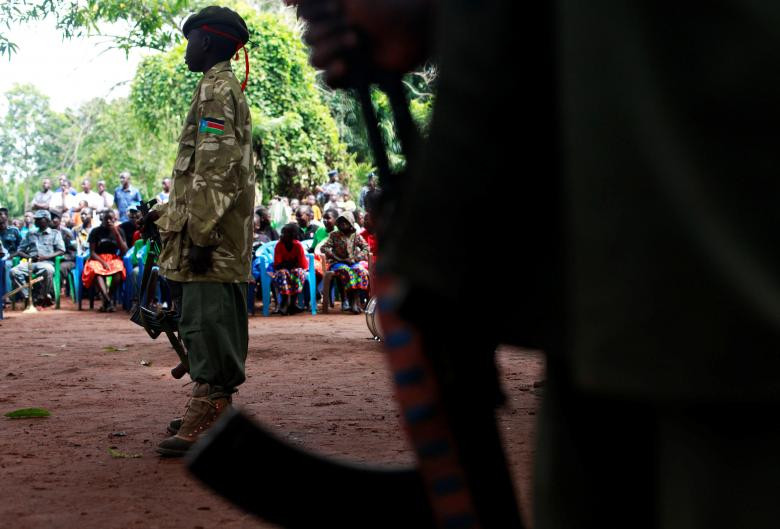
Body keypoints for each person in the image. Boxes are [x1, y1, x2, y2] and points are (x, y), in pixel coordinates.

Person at [148, 5, 254, 457]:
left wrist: (202, 234)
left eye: (191, 39)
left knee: (207, 318)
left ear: (208, 42)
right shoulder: (218, 86)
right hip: (213, 228)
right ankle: (212, 404)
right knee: (205, 317)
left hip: (211, 234)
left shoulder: (215, 89)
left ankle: (211, 405)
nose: (187, 48)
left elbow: (216, 166)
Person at [11, 210, 65, 306]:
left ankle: (43, 296)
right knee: (14, 271)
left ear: (47, 221)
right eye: (36, 219)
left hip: (47, 263)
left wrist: (45, 257)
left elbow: (61, 250)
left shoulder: (55, 233)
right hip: (31, 262)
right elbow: (20, 250)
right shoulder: (30, 233)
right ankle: (28, 297)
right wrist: (29, 257)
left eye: (39, 219)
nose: (36, 221)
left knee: (48, 270)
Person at [320, 211, 369, 314]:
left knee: (359, 270)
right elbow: (323, 248)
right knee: (346, 271)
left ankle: (355, 301)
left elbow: (366, 248)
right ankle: (350, 302)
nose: (342, 224)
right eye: (340, 222)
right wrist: (337, 257)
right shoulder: (334, 235)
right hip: (337, 263)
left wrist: (356, 258)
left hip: (352, 262)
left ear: (351, 222)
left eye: (345, 222)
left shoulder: (356, 235)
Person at [82, 210, 128, 312]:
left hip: (113, 258)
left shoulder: (119, 231)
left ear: (115, 219)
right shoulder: (95, 231)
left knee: (118, 271)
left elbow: (124, 250)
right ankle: (108, 301)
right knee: (95, 271)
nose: (108, 221)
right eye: (106, 218)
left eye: (111, 219)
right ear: (102, 219)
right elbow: (92, 252)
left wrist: (116, 233)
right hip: (97, 258)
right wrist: (103, 263)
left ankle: (107, 300)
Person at [273, 223, 309, 315]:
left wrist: (288, 264)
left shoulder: (298, 245)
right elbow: (278, 264)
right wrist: (291, 263)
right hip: (282, 269)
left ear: (293, 235)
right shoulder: (279, 245)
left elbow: (302, 265)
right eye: (283, 233)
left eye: (287, 233)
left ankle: (293, 304)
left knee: (298, 272)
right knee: (282, 273)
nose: (283, 235)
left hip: (295, 269)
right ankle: (284, 303)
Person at [50, 211, 76, 294]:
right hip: (51, 260)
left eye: (54, 218)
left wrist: (61, 258)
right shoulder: (46, 232)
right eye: (50, 218)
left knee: (59, 269)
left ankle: (54, 293)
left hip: (67, 261)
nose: (52, 220)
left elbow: (73, 253)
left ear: (60, 220)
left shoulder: (67, 233)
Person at [0, 207, 22, 295]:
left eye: (1, 215)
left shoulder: (14, 231)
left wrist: (11, 256)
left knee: (6, 265)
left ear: (7, 217)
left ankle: (8, 295)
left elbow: (22, 248)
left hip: (12, 258)